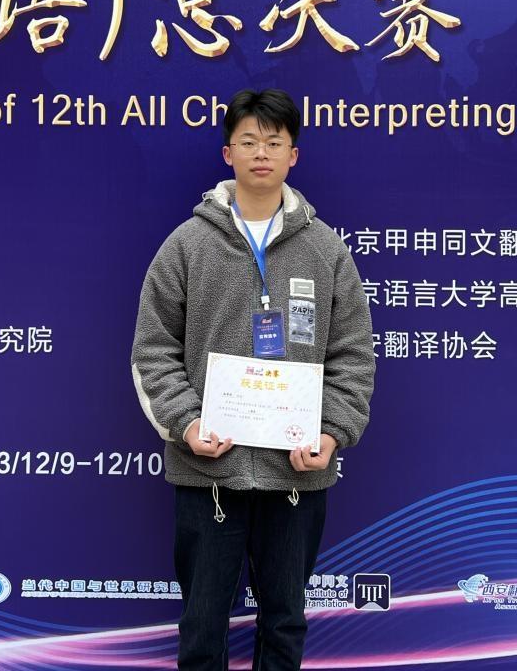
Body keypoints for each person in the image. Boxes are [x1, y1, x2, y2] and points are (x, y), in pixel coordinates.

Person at [131, 88, 376, 671]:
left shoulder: (327, 250)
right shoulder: (186, 245)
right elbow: (153, 351)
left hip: (297, 471)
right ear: (228, 153)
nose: (260, 152)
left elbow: (353, 354)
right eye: (248, 141)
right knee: (202, 624)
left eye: (273, 142)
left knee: (285, 622)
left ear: (294, 155)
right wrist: (187, 425)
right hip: (207, 470)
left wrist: (332, 434)